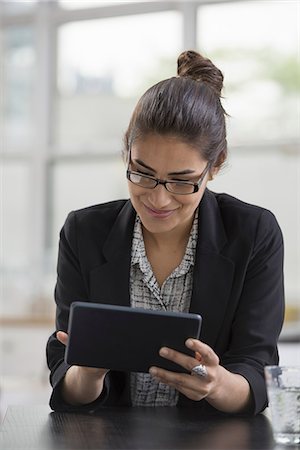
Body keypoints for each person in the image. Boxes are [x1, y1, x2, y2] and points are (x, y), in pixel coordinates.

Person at [46, 50, 284, 415]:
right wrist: (88, 373)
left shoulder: (253, 233)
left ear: (215, 166)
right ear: (127, 152)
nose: (158, 198)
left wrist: (217, 385)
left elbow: (255, 369)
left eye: (181, 181)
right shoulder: (84, 233)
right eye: (142, 172)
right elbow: (67, 376)